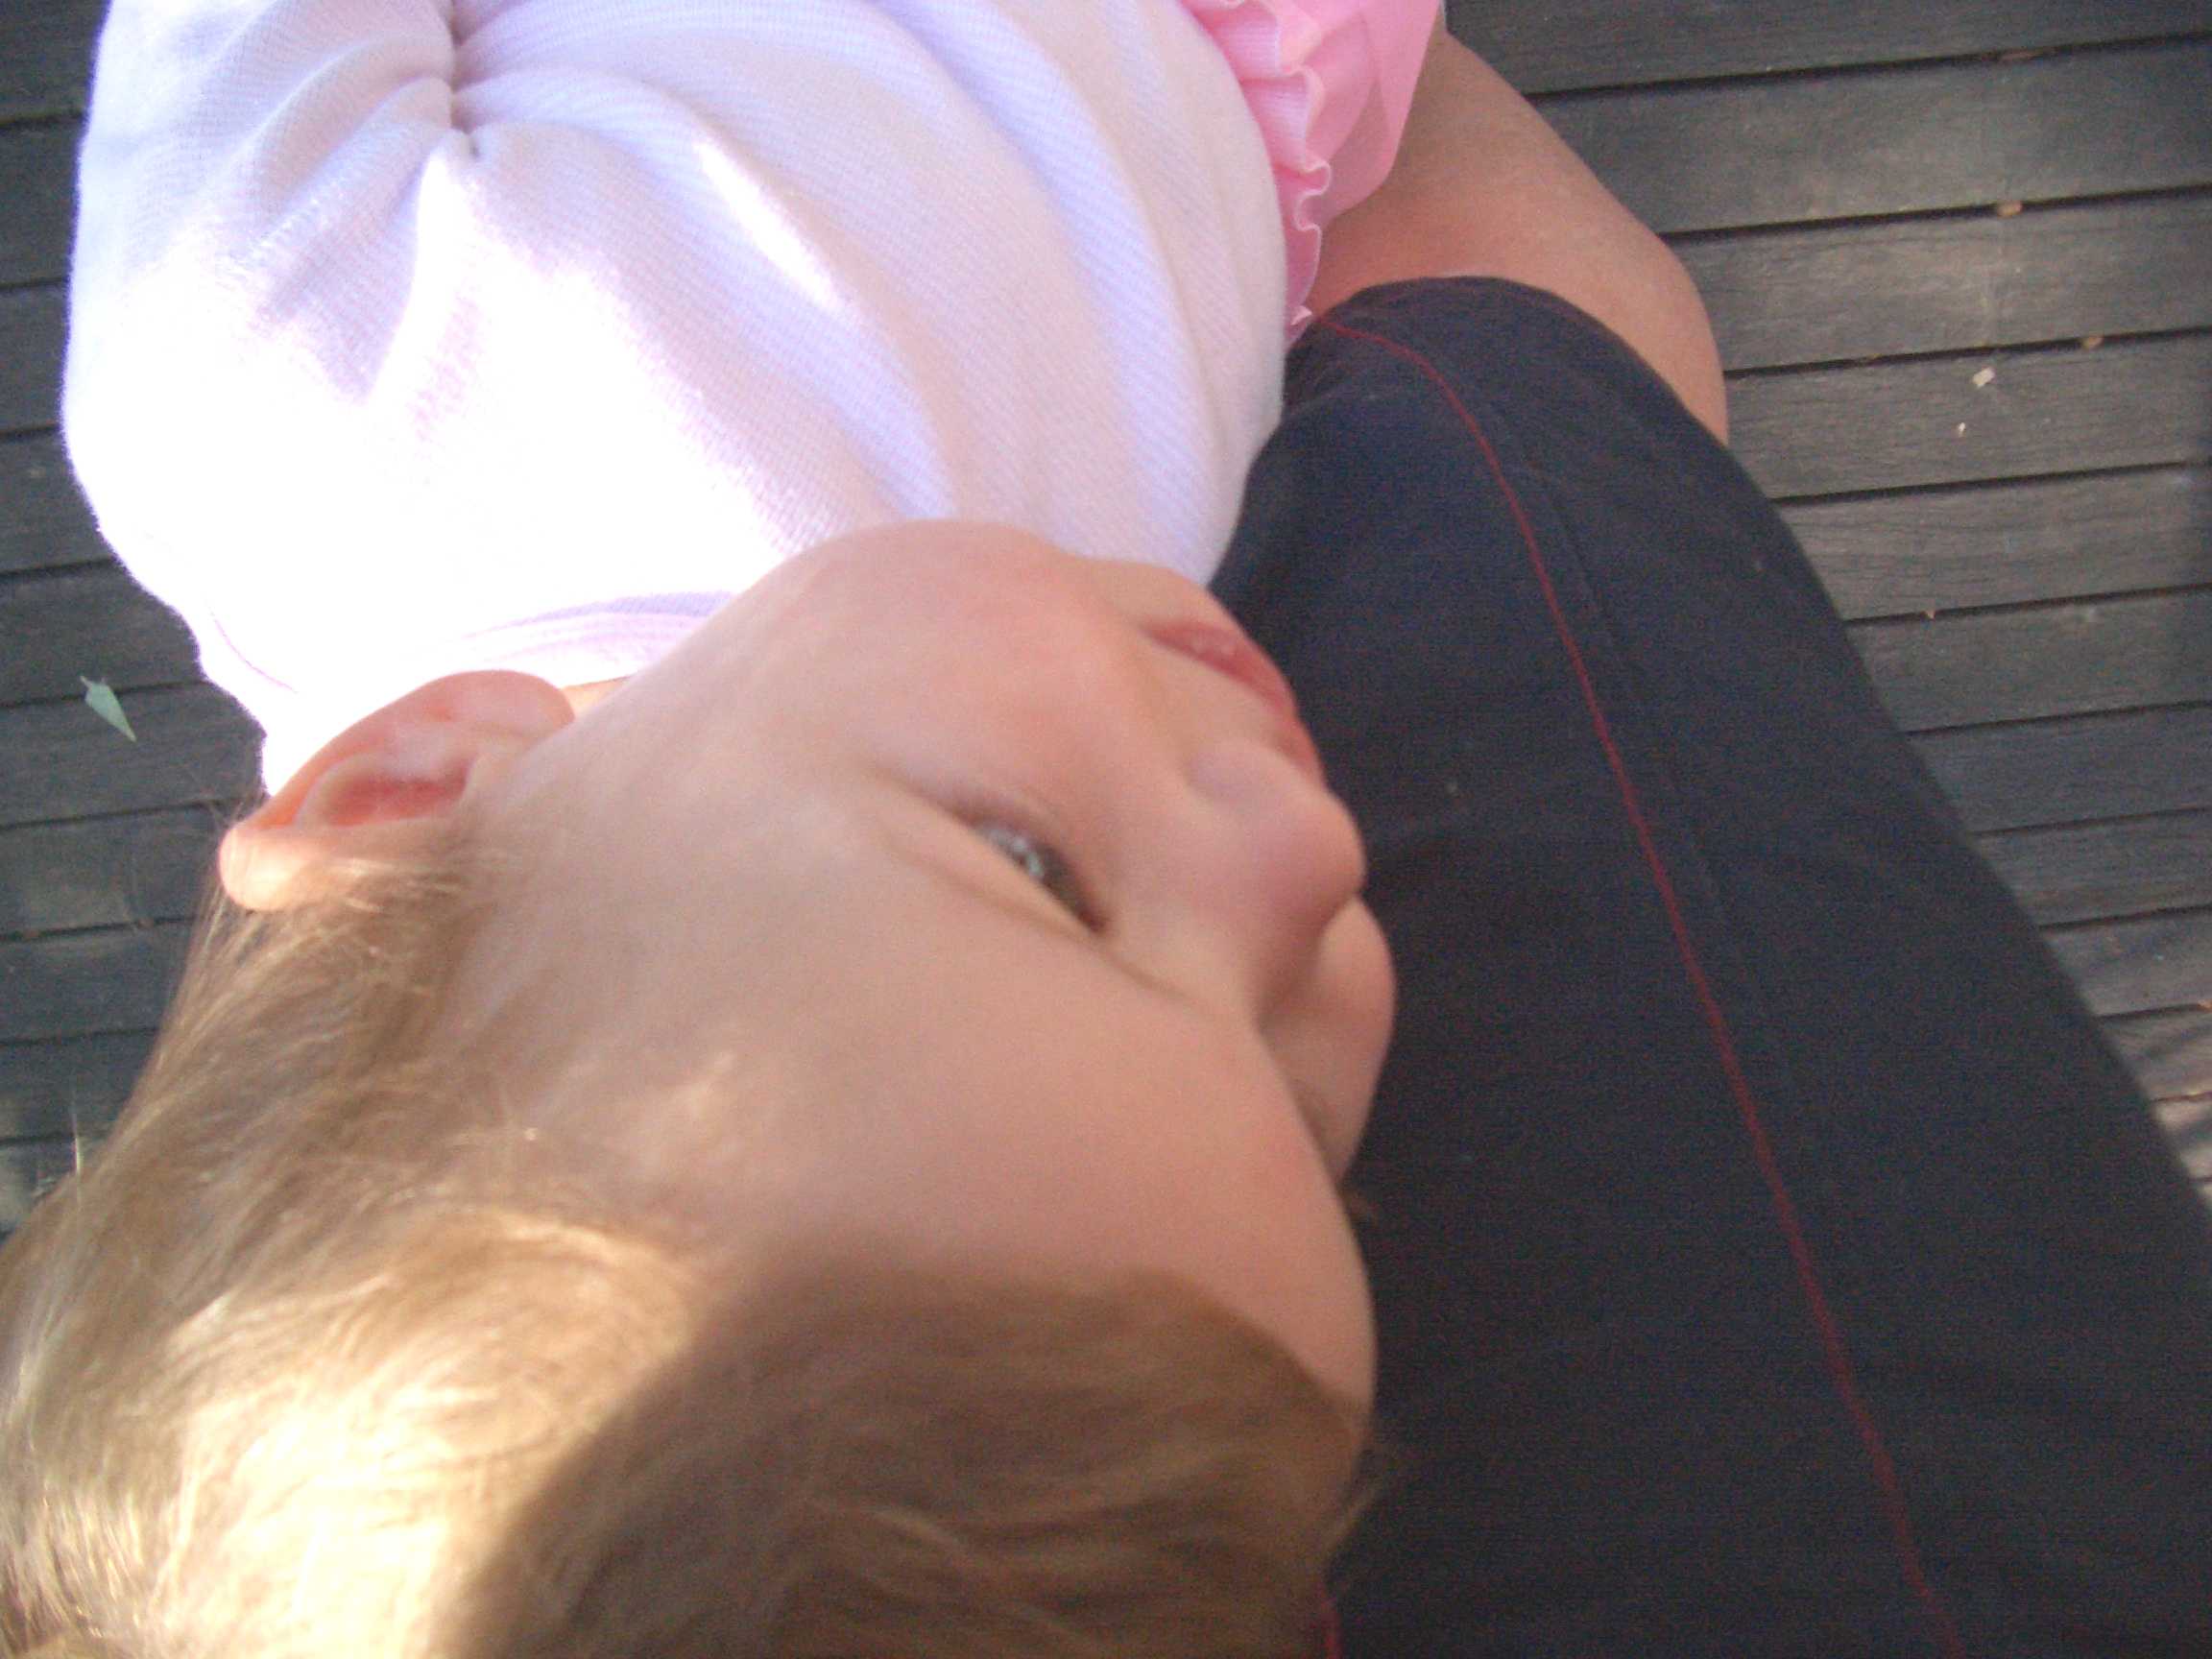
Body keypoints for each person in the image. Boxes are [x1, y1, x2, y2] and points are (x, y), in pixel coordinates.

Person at [6, 2, 2209, 1656]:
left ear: (414, 791)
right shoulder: (1101, 643)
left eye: (1034, 872)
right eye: (1300, 1094)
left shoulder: (283, 403)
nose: (1316, 859)